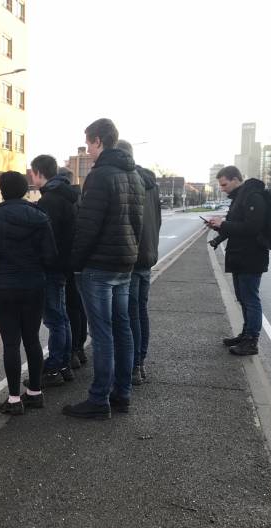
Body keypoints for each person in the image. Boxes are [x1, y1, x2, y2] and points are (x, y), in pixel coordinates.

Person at [64, 118, 144, 419]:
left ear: (98, 141)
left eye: (88, 144)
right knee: (122, 328)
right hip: (125, 263)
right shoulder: (134, 175)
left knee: (103, 334)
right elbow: (137, 224)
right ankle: (122, 394)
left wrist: (75, 263)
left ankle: (99, 401)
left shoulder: (100, 176)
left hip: (98, 265)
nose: (88, 150)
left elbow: (87, 227)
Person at [0, 171, 57, 415]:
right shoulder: (40, 218)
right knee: (32, 338)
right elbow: (51, 256)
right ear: (24, 190)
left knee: (11, 342)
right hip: (34, 284)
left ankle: (13, 399)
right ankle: (35, 392)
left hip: (4, 286)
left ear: (2, 190)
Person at [29, 155, 79, 387]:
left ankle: (54, 367)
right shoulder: (68, 195)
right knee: (63, 316)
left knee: (54, 319)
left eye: (32, 172)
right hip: (66, 263)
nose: (31, 176)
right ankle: (65, 364)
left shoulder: (49, 201)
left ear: (40, 173)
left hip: (52, 266)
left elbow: (44, 238)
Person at [207, 165, 268, 356]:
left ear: (235, 179)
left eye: (224, 184)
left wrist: (223, 223)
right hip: (240, 256)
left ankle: (251, 342)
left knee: (250, 300)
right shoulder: (239, 198)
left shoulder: (253, 197)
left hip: (251, 257)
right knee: (243, 299)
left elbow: (252, 228)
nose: (222, 188)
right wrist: (218, 229)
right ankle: (245, 334)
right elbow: (236, 227)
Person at [115, 140, 162, 384]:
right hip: (148, 256)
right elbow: (158, 220)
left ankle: (133, 365)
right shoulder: (151, 183)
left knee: (129, 314)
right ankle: (140, 361)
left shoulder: (128, 180)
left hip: (131, 257)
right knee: (141, 311)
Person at [57, 166, 88, 370]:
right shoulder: (82, 200)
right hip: (81, 261)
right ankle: (79, 348)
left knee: (67, 310)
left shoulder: (59, 200)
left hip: (64, 262)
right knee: (79, 307)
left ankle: (70, 353)